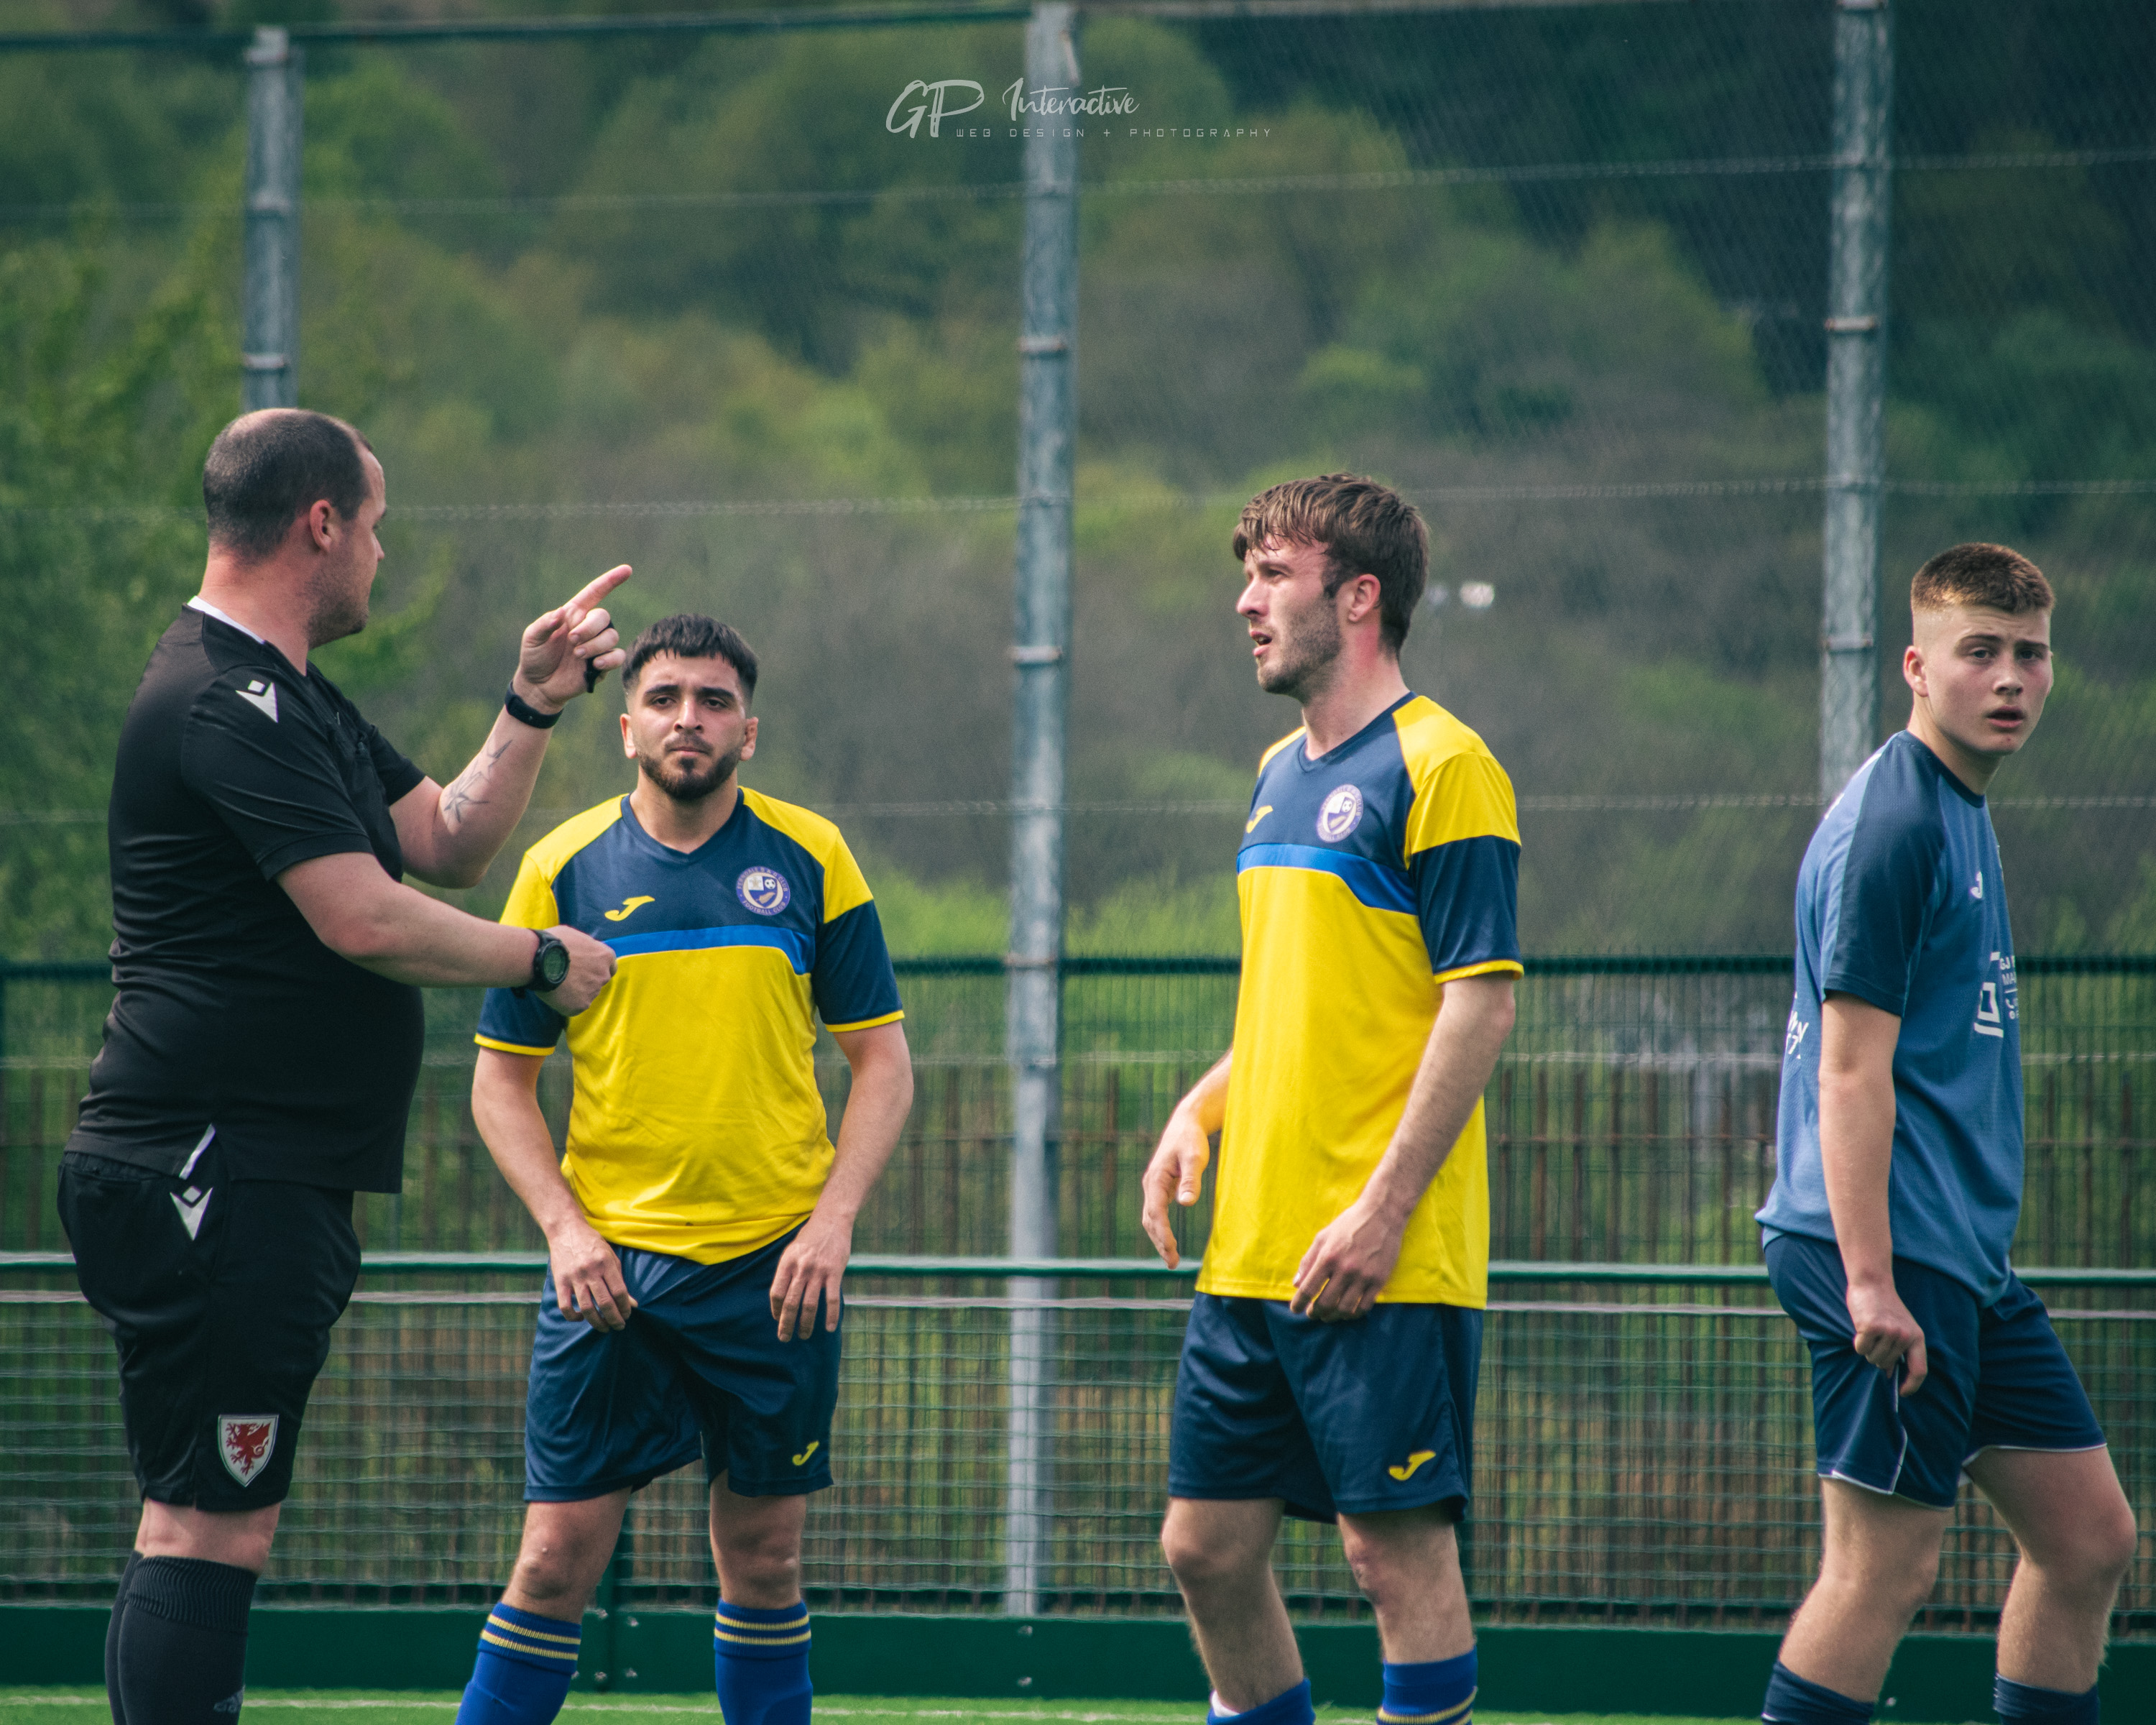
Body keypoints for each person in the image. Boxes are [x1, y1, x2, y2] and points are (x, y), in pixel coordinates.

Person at [58, 408, 628, 1724]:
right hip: (214, 1165)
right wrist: (537, 959)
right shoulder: (223, 696)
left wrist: (533, 698)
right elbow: (364, 917)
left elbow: (443, 841)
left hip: (258, 1172)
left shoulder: (286, 692)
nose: (379, 551)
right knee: (211, 1528)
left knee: (198, 1520)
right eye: (374, 524)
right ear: (321, 522)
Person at [452, 613, 914, 1725]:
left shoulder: (813, 857)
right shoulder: (559, 866)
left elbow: (883, 1064)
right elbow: (498, 1084)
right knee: (555, 1562)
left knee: (764, 1565)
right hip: (613, 1278)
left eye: (712, 702)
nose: (688, 721)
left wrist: (832, 1222)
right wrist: (567, 1232)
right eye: (665, 700)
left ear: (747, 732)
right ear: (625, 729)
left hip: (775, 1274)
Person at [1141, 476, 1521, 1725]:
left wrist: (1381, 1213)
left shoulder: (1446, 765)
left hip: (1381, 1254)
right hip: (1253, 1251)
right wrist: (1199, 1111)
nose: (1245, 602)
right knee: (1204, 1549)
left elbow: (1478, 1006)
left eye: (1273, 577)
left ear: (1358, 597)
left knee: (1389, 1555)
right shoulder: (1273, 772)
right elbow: (1297, 1005)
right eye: (1246, 576)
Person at [1754, 544, 2136, 1725]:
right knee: (1885, 1567)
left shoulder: (1963, 811)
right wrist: (1871, 1282)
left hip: (1960, 1258)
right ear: (1917, 667)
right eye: (1981, 652)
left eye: (2030, 654)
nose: (2011, 678)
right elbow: (1852, 1073)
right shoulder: (1896, 826)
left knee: (2087, 1540)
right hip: (1887, 1253)